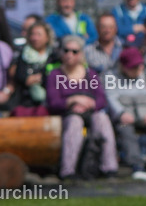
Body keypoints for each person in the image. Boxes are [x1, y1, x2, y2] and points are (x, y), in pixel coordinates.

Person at [46, 35, 119, 179]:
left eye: (74, 51)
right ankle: (68, 170)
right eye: (66, 50)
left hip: (90, 112)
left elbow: (101, 99)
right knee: (75, 123)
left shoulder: (90, 74)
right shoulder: (55, 75)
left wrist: (90, 103)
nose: (70, 54)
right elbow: (53, 102)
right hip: (67, 114)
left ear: (80, 54)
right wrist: (72, 101)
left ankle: (109, 167)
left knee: (103, 120)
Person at [105, 47, 146, 180]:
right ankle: (136, 165)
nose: (138, 69)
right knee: (125, 130)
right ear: (123, 67)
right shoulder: (111, 77)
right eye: (134, 67)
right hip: (125, 117)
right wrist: (121, 113)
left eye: (139, 65)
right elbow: (111, 99)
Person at [9, 21, 59, 116]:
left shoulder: (54, 55)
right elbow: (18, 75)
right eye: (32, 34)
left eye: (39, 35)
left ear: (47, 37)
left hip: (48, 101)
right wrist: (27, 79)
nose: (35, 38)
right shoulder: (22, 54)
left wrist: (41, 77)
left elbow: (57, 75)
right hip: (24, 100)